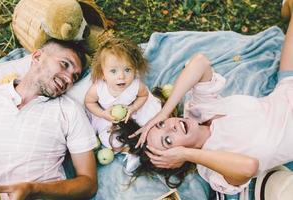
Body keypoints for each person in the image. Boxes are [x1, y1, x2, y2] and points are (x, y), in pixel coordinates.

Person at [125, 1, 293, 195]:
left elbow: (200, 63)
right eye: (168, 141)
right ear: (174, 159)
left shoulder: (198, 110)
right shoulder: (212, 168)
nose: (170, 126)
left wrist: (163, 111)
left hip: (286, 87)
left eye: (161, 125)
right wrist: (187, 154)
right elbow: (249, 167)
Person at [0, 39, 97, 199]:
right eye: (64, 64)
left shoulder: (70, 111)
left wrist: (34, 189)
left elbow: (89, 184)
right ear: (37, 57)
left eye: (75, 77)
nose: (69, 79)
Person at [85, 37, 161, 149]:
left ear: (135, 71)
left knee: (150, 117)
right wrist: (102, 114)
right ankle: (125, 146)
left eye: (127, 70)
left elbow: (143, 95)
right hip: (107, 115)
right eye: (113, 71)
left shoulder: (135, 85)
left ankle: (143, 138)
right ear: (102, 74)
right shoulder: (98, 89)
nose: (121, 76)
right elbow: (89, 102)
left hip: (129, 111)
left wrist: (133, 108)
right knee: (110, 140)